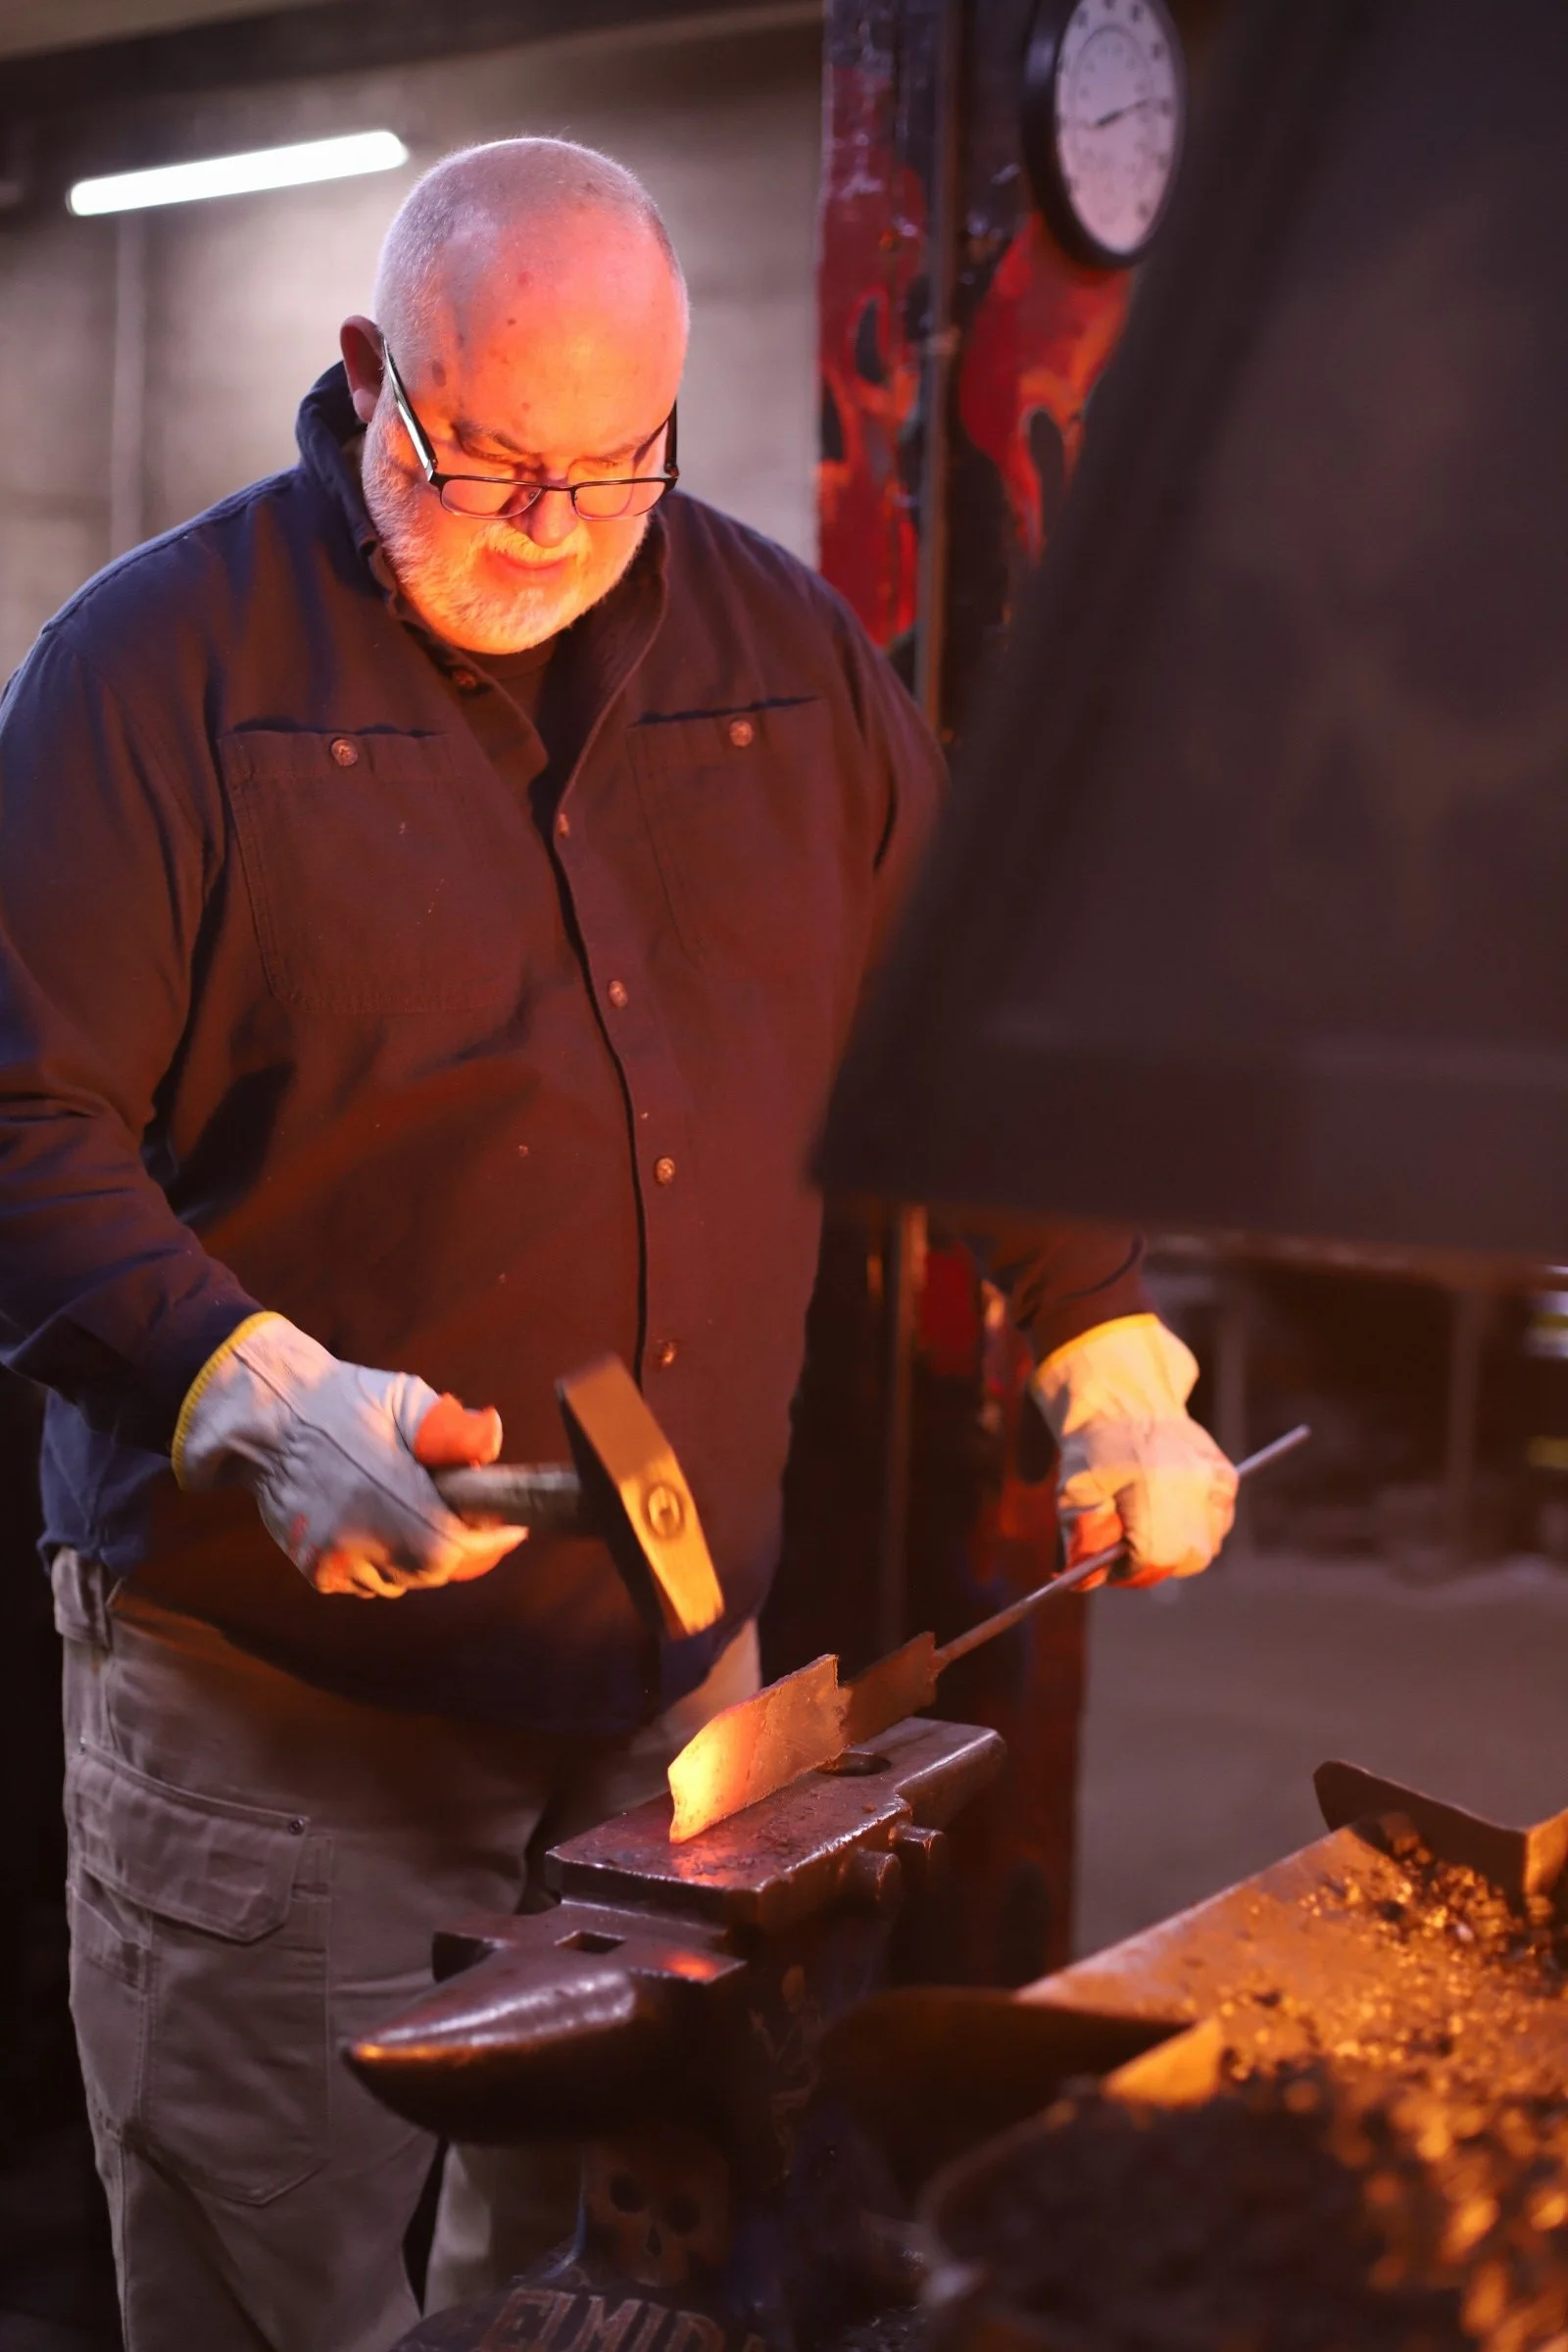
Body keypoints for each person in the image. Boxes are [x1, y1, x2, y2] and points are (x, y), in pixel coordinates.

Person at [0, 139, 1236, 2351]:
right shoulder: (153, 673)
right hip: (280, 1726)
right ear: (369, 371)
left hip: (671, 1707)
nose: (550, 532)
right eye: (485, 465)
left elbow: (948, 1024)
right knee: (274, 2297)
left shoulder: (786, 662)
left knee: (604, 2287)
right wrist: (244, 1393)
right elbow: (22, 1118)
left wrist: (1104, 1342)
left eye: (618, 466)